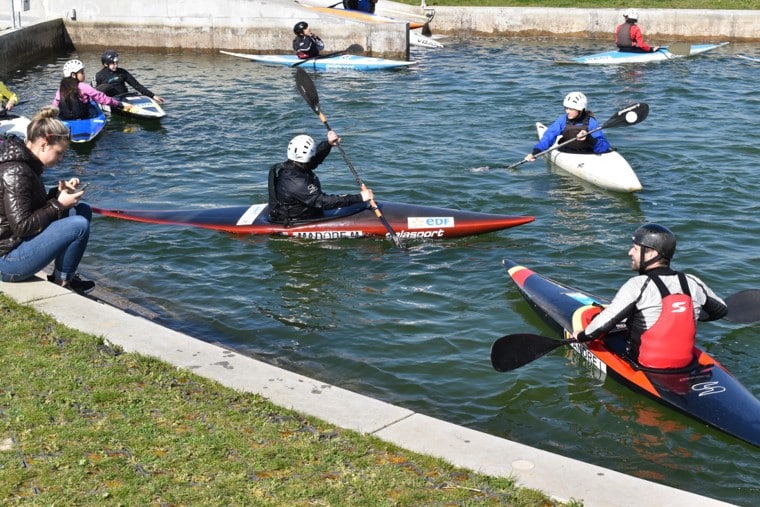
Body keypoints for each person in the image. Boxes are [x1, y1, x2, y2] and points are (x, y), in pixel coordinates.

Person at [573, 224, 728, 370]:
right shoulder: (692, 281)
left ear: (652, 253)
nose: (630, 253)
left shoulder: (638, 284)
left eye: (635, 248)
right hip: (685, 363)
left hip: (644, 365)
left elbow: (599, 328)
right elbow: (721, 310)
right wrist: (686, 315)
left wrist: (580, 336)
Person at [0, 106, 95, 293]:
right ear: (44, 144)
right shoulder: (17, 171)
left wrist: (56, 194)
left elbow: (28, 206)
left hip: (15, 244)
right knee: (78, 225)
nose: (61, 159)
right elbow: (23, 226)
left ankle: (65, 275)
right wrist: (59, 204)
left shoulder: (26, 164)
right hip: (6, 260)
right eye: (59, 152)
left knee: (81, 209)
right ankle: (63, 282)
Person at [268, 131, 373, 224]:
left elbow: (313, 161)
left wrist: (328, 144)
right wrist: (360, 198)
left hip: (299, 208)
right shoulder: (296, 182)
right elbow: (322, 201)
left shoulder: (291, 166)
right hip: (297, 219)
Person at [523, 92, 611, 162]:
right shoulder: (563, 120)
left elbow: (603, 146)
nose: (567, 112)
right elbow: (549, 136)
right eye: (566, 108)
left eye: (571, 109)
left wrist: (588, 137)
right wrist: (536, 152)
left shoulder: (592, 123)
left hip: (588, 153)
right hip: (567, 152)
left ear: (581, 110)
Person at [52, 59, 132, 120]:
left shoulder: (60, 89)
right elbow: (101, 98)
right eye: (82, 72)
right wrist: (117, 103)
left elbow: (55, 105)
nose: (84, 75)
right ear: (73, 75)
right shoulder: (83, 86)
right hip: (82, 116)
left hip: (65, 118)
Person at [94, 50, 165, 103]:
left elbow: (137, 85)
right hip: (112, 100)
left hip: (126, 97)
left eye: (117, 63)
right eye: (113, 64)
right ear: (106, 64)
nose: (116, 65)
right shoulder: (99, 75)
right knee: (106, 86)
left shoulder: (122, 72)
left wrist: (153, 96)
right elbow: (94, 92)